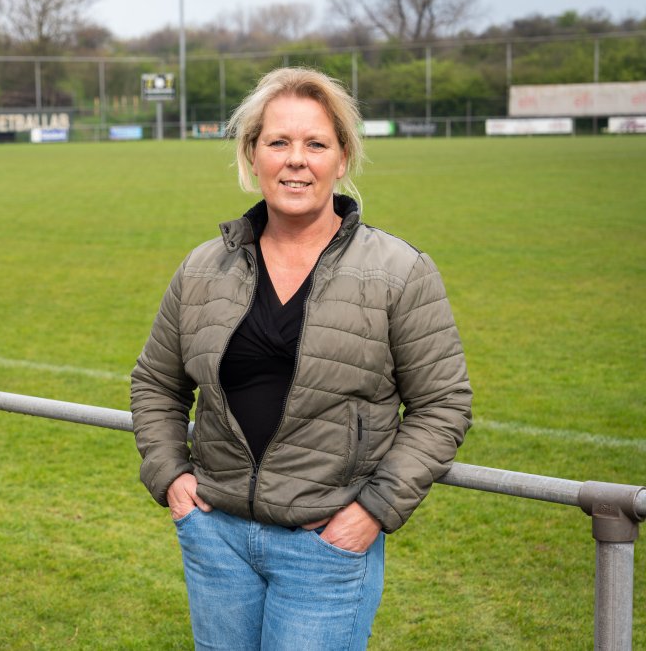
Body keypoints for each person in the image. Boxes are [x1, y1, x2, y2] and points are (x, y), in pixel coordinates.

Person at [130, 67, 472, 651]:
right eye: (278, 143)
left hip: (327, 544)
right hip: (217, 537)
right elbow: (155, 384)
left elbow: (443, 405)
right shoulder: (202, 268)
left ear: (342, 159)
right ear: (251, 156)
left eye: (315, 143)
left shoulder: (399, 271)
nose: (296, 160)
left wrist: (372, 510)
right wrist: (173, 479)